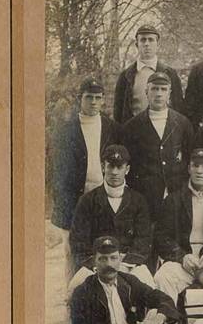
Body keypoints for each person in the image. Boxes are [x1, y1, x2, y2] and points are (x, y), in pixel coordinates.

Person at [50, 76, 120, 282]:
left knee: (104, 249)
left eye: (98, 98)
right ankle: (72, 298)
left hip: (103, 196)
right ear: (80, 99)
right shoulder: (66, 131)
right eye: (89, 97)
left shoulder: (112, 128)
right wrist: (64, 207)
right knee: (73, 252)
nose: (94, 102)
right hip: (74, 198)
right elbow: (59, 174)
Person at [68, 145, 155, 291]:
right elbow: (78, 240)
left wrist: (125, 263)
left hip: (129, 265)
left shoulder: (138, 200)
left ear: (127, 169)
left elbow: (144, 239)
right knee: (73, 290)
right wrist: (98, 263)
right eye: (110, 166)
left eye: (119, 167)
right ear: (103, 167)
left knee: (150, 288)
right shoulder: (87, 200)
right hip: (96, 265)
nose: (114, 172)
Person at [154, 148, 203, 306]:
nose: (199, 171)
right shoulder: (173, 199)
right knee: (162, 277)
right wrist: (182, 256)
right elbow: (162, 237)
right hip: (182, 260)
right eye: (195, 166)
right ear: (189, 168)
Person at [121, 70, 194, 219]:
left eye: (163, 89)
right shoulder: (132, 126)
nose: (159, 94)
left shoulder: (182, 123)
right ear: (146, 92)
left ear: (169, 93)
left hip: (177, 194)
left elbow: (190, 158)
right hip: (145, 198)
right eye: (154, 89)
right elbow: (128, 165)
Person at [113, 25, 185, 123]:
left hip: (163, 130)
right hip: (134, 132)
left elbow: (178, 107)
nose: (147, 44)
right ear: (137, 44)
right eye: (143, 40)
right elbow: (118, 112)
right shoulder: (126, 76)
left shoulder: (170, 73)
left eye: (151, 40)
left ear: (157, 44)